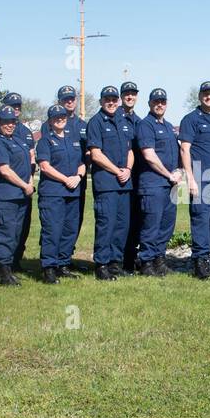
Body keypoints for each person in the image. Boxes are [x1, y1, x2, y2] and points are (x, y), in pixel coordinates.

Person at [179, 81, 210, 279]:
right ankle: (200, 261)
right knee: (201, 218)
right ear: (200, 96)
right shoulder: (190, 119)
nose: (209, 96)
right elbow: (185, 149)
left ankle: (207, 256)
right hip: (200, 176)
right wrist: (190, 177)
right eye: (205, 93)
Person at [87, 85, 136, 280]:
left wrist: (128, 169)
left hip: (124, 183)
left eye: (114, 99)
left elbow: (130, 150)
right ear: (101, 101)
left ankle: (116, 263)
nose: (111, 102)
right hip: (106, 183)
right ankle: (102, 264)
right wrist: (117, 171)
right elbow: (96, 154)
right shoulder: (96, 122)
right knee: (106, 224)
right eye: (107, 99)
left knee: (121, 225)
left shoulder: (124, 121)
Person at [0, 106, 34, 286]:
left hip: (20, 196)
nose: (10, 125)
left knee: (15, 234)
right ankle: (2, 272)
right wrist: (24, 185)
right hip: (6, 196)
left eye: (12, 121)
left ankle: (9, 268)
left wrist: (30, 182)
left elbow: (29, 163)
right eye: (5, 121)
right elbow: (5, 170)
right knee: (4, 233)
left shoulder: (17, 140)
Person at [36, 104, 86, 283]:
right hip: (53, 193)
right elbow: (45, 166)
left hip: (73, 192)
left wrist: (78, 176)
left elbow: (82, 162)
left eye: (63, 116)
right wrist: (66, 179)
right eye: (56, 117)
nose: (60, 119)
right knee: (52, 230)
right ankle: (49, 267)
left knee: (69, 230)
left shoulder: (73, 139)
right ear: (50, 121)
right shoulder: (45, 141)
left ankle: (63, 264)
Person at [135, 88, 182, 275]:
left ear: (167, 104)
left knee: (166, 225)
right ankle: (146, 262)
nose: (159, 105)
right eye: (156, 102)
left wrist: (179, 171)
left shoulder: (169, 127)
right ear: (149, 104)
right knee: (151, 225)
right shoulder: (145, 125)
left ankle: (159, 260)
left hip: (169, 186)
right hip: (152, 184)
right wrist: (169, 175)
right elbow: (149, 155)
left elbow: (177, 154)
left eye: (162, 102)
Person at [58, 85, 89, 270]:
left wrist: (80, 174)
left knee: (74, 221)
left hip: (79, 181)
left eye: (72, 98)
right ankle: (55, 261)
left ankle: (66, 257)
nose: (70, 102)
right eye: (65, 99)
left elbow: (88, 154)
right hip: (58, 183)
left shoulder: (83, 126)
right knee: (57, 223)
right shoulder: (52, 123)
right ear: (60, 101)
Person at [119, 80, 143, 273]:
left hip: (137, 179)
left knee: (135, 221)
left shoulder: (139, 121)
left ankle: (130, 258)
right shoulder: (115, 119)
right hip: (119, 178)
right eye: (127, 93)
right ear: (121, 96)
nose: (130, 96)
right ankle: (115, 260)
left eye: (133, 94)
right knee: (119, 221)